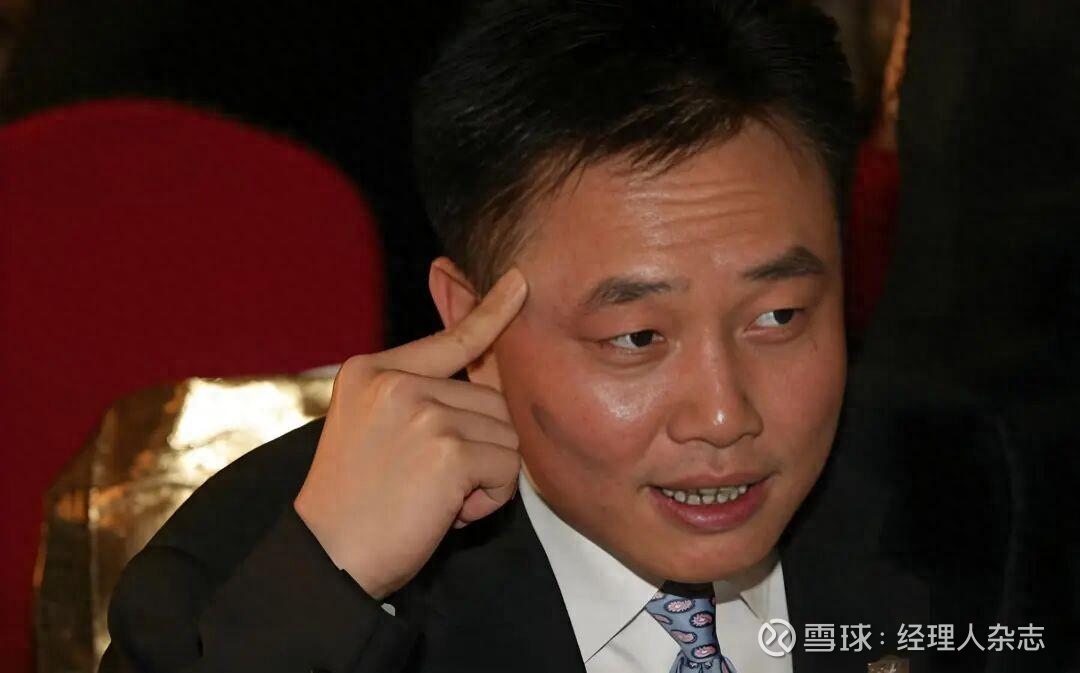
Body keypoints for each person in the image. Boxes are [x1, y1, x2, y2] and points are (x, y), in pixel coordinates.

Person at [101, 2, 1028, 672]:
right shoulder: (256, 577)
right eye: (637, 336)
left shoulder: (956, 485)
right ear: (473, 324)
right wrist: (331, 587)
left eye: (778, 317)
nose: (722, 415)